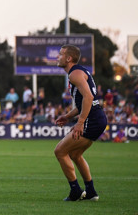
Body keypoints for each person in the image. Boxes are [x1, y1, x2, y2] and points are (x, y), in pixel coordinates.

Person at [54, 44, 107, 202]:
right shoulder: (79, 71)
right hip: (97, 118)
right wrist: (69, 116)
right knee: (75, 154)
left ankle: (76, 190)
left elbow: (89, 98)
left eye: (60, 54)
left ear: (69, 58)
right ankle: (90, 192)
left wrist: (80, 122)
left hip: (92, 119)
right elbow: (85, 101)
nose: (58, 57)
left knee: (60, 152)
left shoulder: (74, 74)